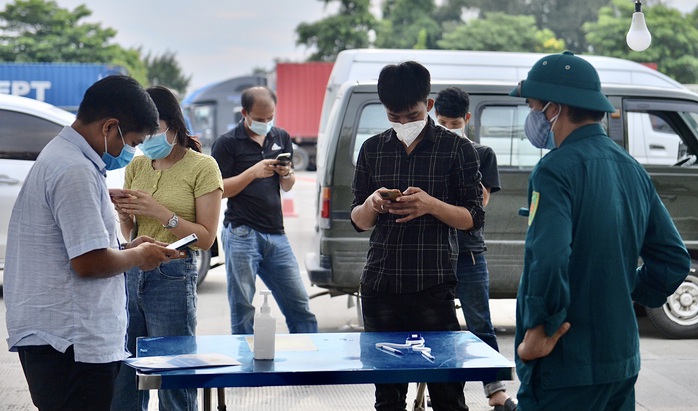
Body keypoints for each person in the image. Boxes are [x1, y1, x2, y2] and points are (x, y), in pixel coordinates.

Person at [510, 51, 691, 410]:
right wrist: (620, 287)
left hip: (564, 364)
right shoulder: (632, 169)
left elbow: (547, 259)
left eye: (533, 107)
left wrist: (538, 330)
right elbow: (673, 260)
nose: (532, 118)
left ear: (554, 108)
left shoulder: (554, 171)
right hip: (620, 361)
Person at [3, 75, 180, 411]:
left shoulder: (66, 156)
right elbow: (89, 263)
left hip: (60, 339)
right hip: (71, 343)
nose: (130, 152)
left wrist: (126, 250)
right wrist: (140, 255)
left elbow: (79, 249)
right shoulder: (75, 170)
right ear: (109, 127)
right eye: (131, 141)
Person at [350, 61, 484, 411]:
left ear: (429, 106)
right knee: (387, 398)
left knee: (448, 395)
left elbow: (473, 218)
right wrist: (372, 203)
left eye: (411, 115)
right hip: (380, 285)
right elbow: (358, 220)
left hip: (432, 285)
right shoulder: (372, 149)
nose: (403, 124)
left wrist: (430, 205)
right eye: (394, 116)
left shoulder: (457, 149)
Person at [110, 86, 223, 410]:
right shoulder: (137, 166)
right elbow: (131, 231)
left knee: (175, 374)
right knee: (125, 375)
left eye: (153, 131)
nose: (146, 140)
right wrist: (125, 216)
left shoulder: (203, 167)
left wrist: (161, 212)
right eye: (142, 133)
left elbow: (206, 238)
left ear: (173, 125)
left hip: (173, 275)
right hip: (132, 270)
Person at [434, 87, 516, 411]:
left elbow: (479, 205)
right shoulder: (430, 152)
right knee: (438, 327)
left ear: (466, 119)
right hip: (436, 251)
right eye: (440, 122)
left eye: (453, 123)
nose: (447, 127)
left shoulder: (482, 153)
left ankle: (496, 391)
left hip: (468, 252)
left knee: (480, 322)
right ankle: (445, 396)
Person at [210, 86, 318, 335]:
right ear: (244, 113)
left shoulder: (281, 137)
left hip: (276, 233)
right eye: (260, 119)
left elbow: (288, 186)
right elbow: (218, 191)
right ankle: (246, 369)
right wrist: (252, 173)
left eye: (271, 117)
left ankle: (311, 367)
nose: (266, 123)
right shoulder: (227, 143)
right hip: (241, 233)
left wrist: (287, 173)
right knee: (243, 308)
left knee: (300, 305)